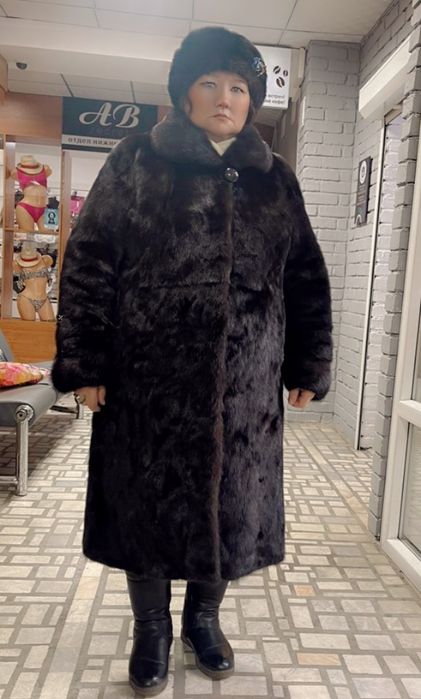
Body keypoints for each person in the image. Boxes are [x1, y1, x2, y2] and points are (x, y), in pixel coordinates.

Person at [52, 27, 332, 697]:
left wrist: (306, 364)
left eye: (238, 87)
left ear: (252, 100)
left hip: (244, 392)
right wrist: (86, 363)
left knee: (230, 508)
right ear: (185, 93)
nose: (224, 98)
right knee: (143, 506)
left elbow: (304, 277)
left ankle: (203, 620)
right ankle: (149, 628)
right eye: (209, 83)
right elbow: (89, 263)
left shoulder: (275, 179)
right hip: (147, 385)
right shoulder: (135, 162)